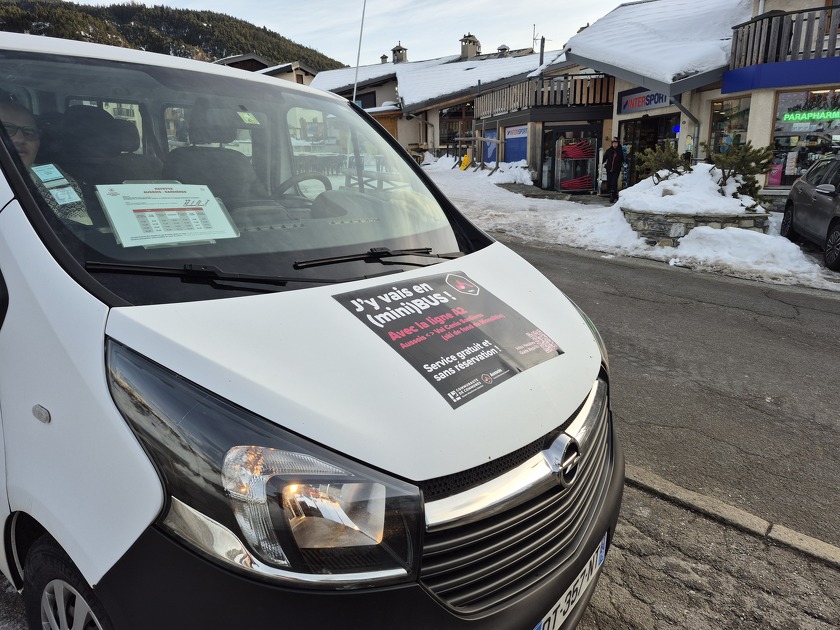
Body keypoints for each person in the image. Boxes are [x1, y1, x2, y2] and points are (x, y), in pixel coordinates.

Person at [0, 100, 91, 225]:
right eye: (6, 130)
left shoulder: (56, 181)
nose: (20, 139)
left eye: (29, 133)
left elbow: (78, 231)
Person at [603, 137, 625, 204]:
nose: (615, 145)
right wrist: (602, 164)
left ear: (618, 144)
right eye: (614, 143)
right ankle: (612, 194)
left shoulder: (620, 151)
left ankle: (613, 196)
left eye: (616, 143)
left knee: (614, 182)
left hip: (616, 169)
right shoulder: (609, 151)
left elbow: (623, 160)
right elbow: (604, 158)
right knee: (609, 182)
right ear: (612, 144)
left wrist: (622, 165)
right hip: (609, 169)